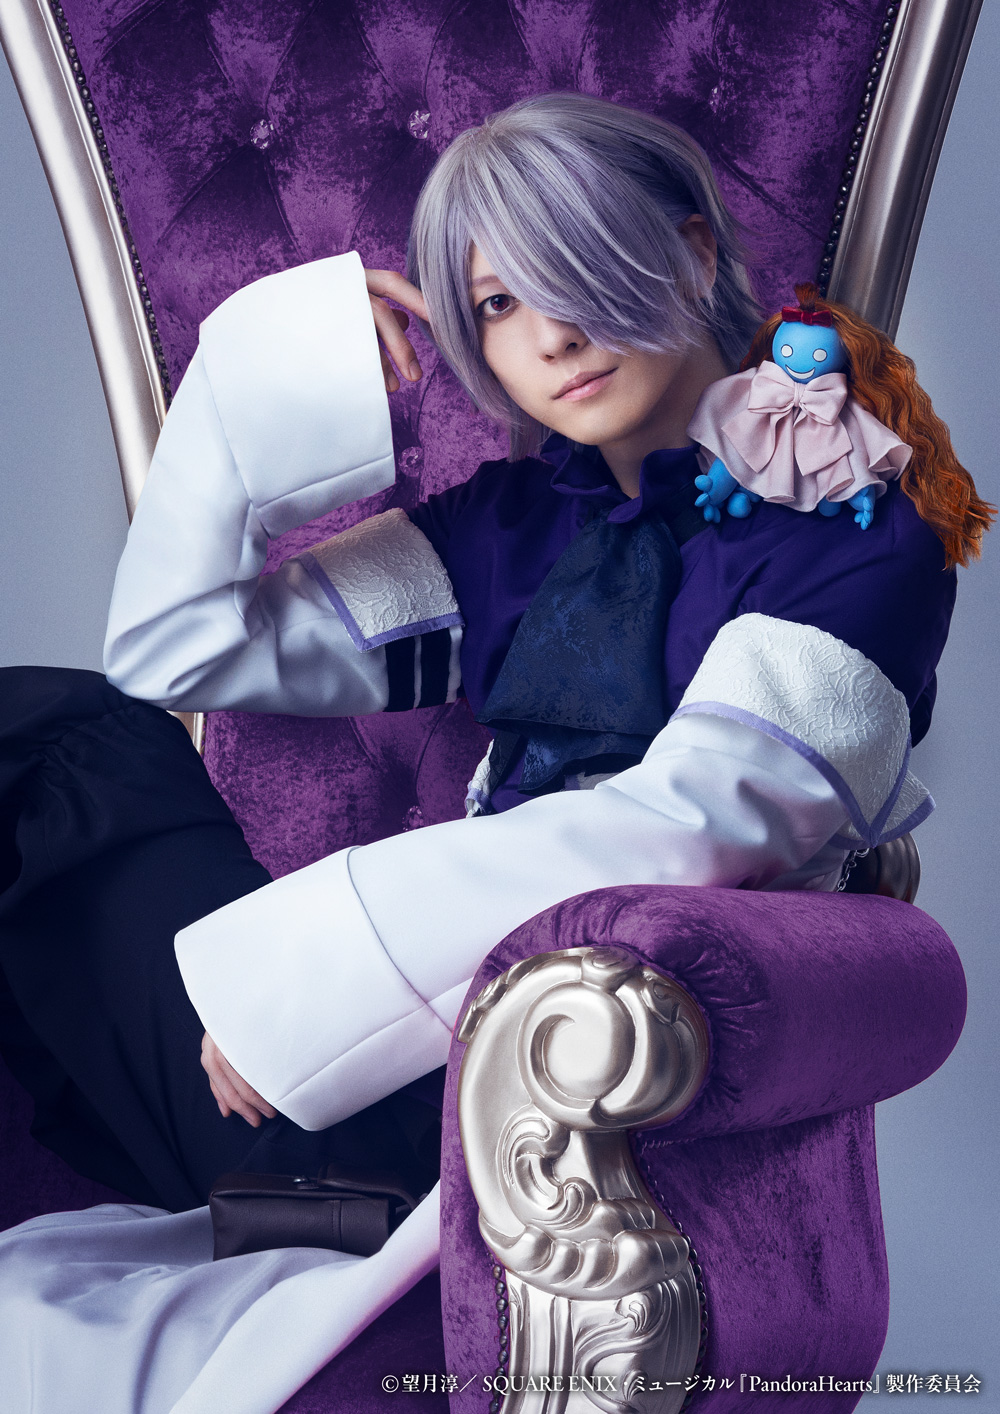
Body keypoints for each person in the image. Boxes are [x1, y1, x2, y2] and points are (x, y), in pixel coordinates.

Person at [0, 92, 990, 1413]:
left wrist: (299, 988)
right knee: (48, 730)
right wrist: (272, 378)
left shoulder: (848, 515)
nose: (551, 335)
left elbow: (696, 821)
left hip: (595, 1117)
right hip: (338, 1094)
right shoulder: (512, 529)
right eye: (499, 306)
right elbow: (176, 650)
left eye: (575, 266)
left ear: (693, 250)